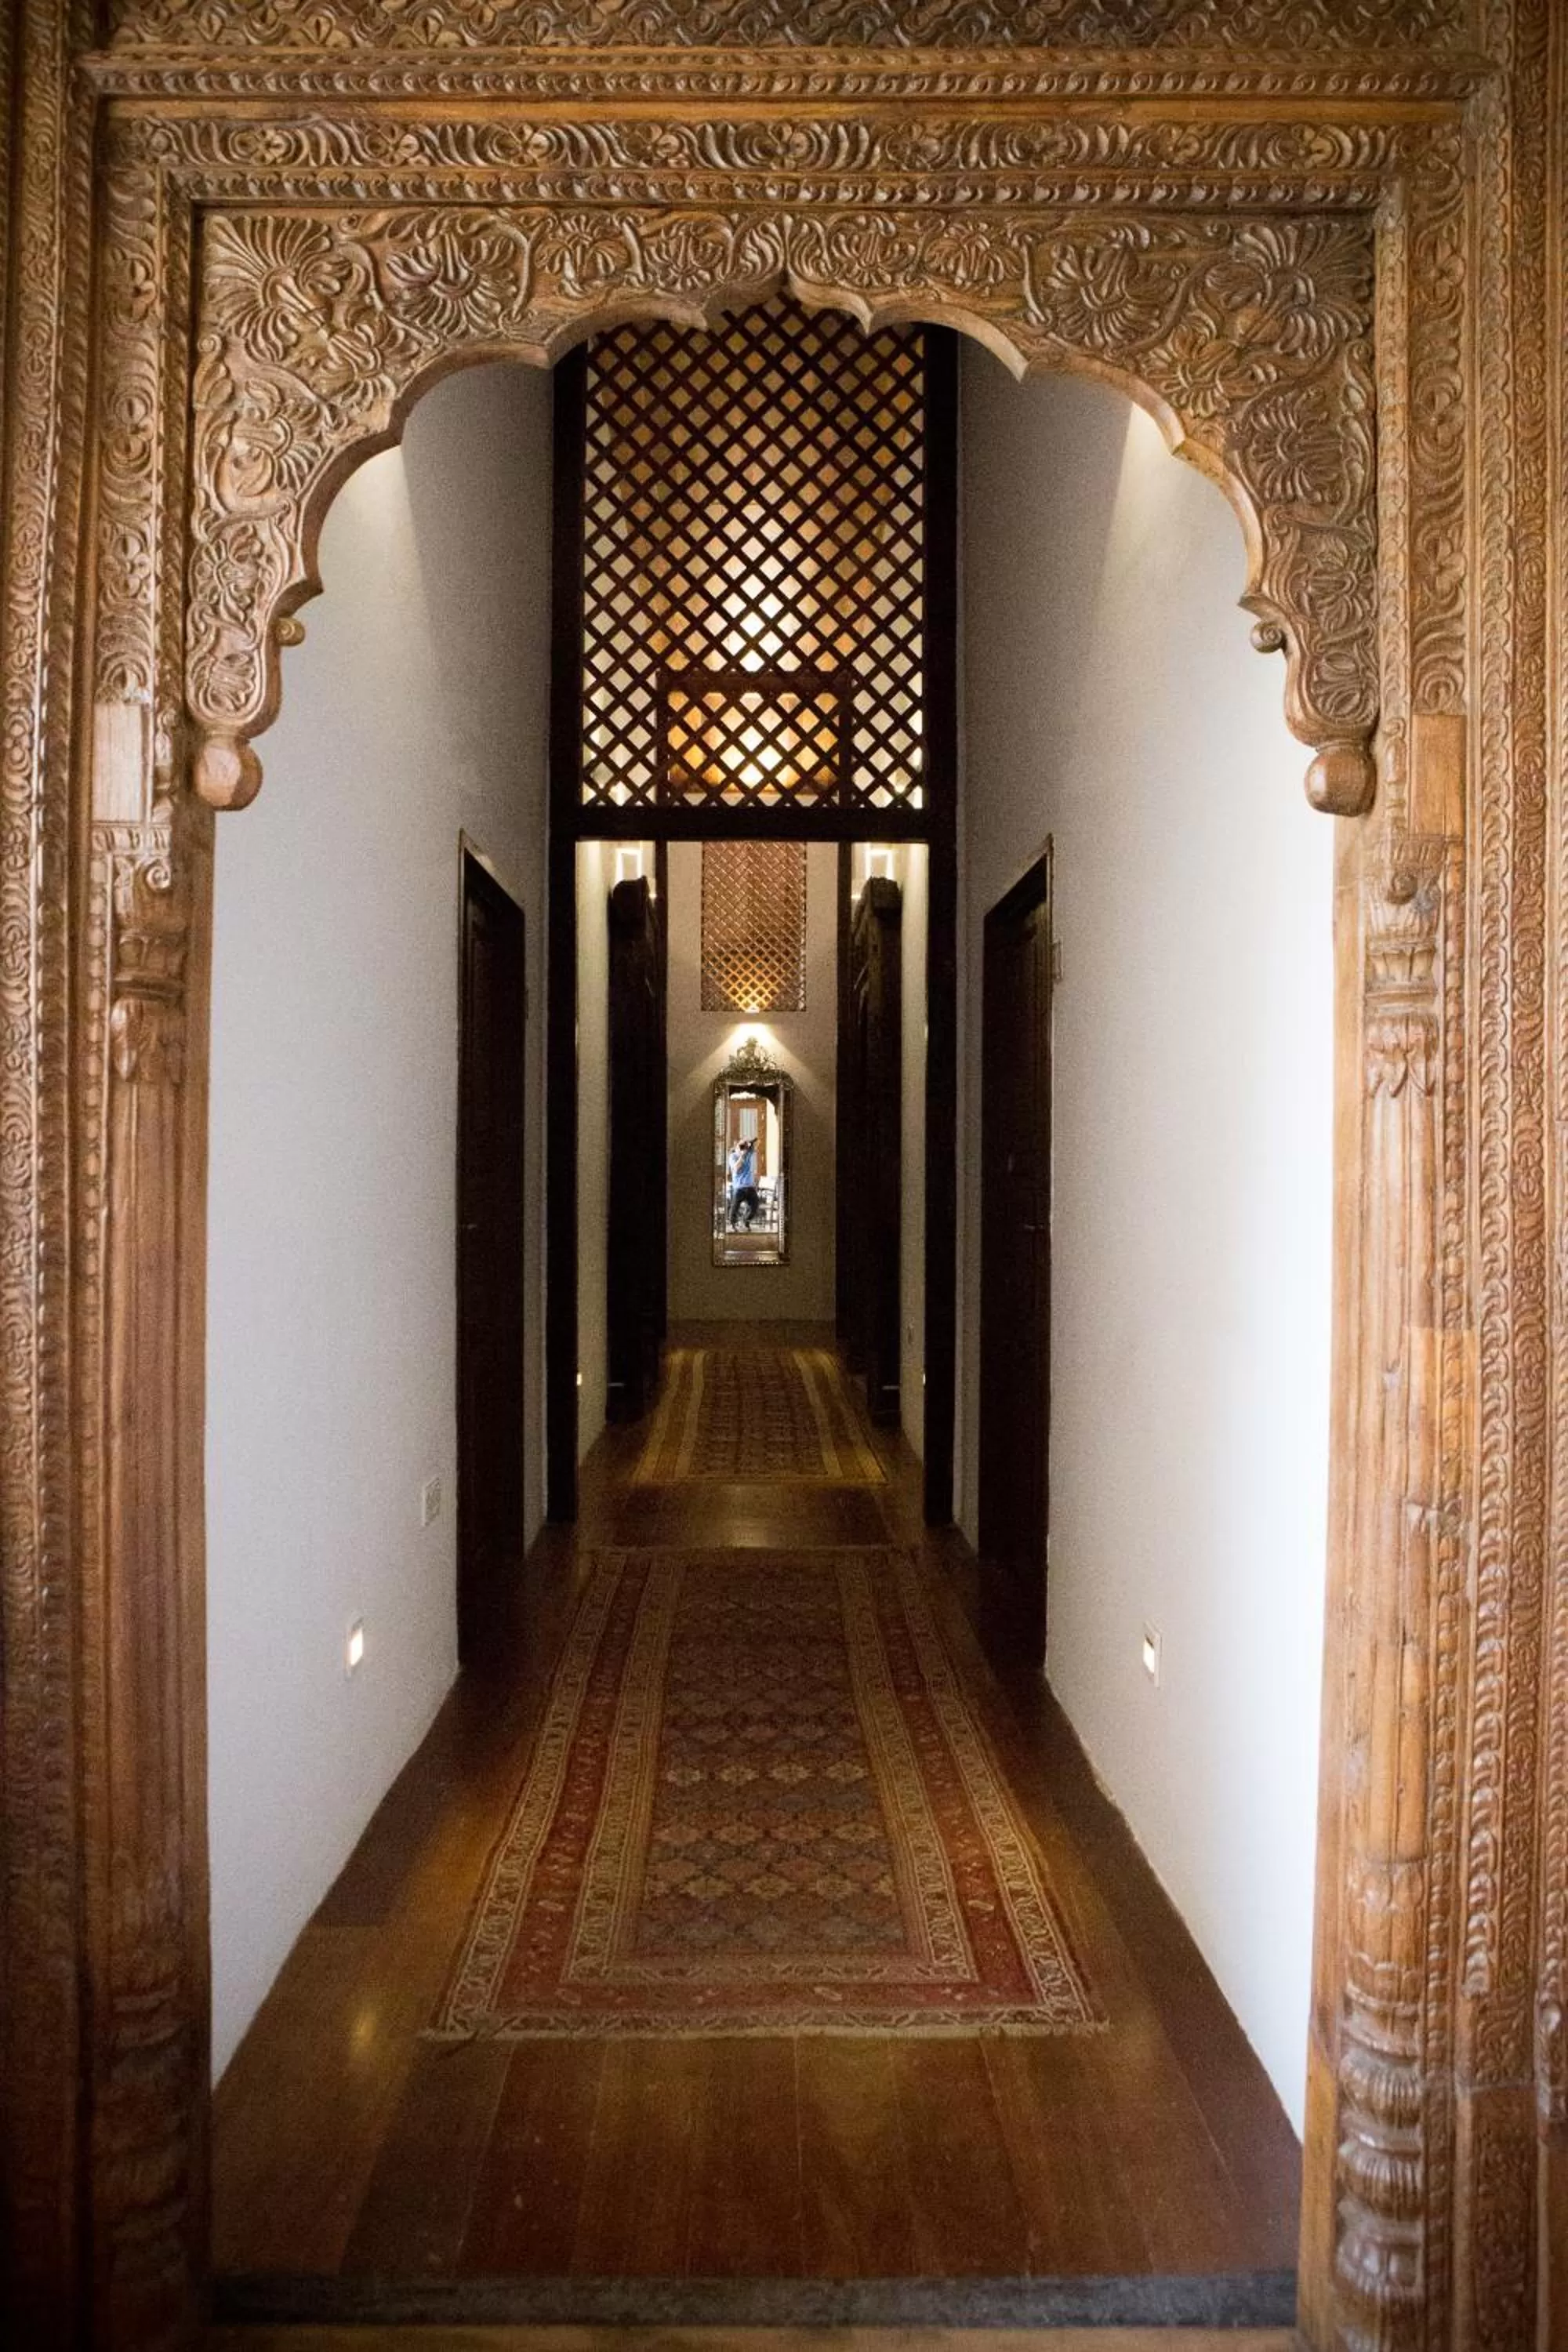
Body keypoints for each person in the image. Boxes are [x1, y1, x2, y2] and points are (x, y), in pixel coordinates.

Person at [728, 1134, 759, 1229]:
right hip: (739, 1187)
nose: (742, 1147)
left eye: (743, 1145)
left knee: (755, 1205)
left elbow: (757, 1143)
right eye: (740, 1145)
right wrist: (742, 1155)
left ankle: (746, 1220)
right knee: (735, 1207)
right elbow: (736, 1169)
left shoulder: (748, 1153)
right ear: (736, 1147)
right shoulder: (733, 1156)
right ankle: (733, 1223)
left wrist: (749, 1142)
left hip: (750, 1186)